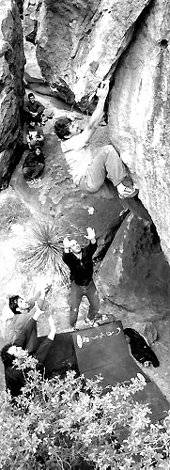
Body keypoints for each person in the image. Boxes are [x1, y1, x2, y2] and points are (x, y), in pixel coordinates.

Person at [54, 80, 138, 200]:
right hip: (87, 180)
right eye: (73, 127)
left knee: (120, 196)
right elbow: (92, 125)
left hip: (87, 180)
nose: (77, 125)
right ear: (67, 136)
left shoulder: (67, 141)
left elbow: (94, 121)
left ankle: (126, 196)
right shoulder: (73, 142)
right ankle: (121, 185)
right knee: (107, 151)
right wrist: (102, 98)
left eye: (74, 124)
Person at [0, 311, 56, 398]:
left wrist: (36, 315)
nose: (19, 348)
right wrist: (52, 330)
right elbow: (40, 354)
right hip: (22, 396)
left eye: (16, 347)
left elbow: (23, 334)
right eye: (17, 350)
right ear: (16, 361)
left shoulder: (12, 354)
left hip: (15, 381)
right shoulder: (21, 371)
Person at [63, 227, 100, 329]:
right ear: (71, 250)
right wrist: (66, 248)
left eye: (77, 243)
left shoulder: (86, 252)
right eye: (73, 245)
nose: (77, 246)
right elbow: (65, 257)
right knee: (74, 310)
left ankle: (89, 319)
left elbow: (93, 246)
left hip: (89, 284)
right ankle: (72, 327)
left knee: (96, 306)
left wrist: (92, 238)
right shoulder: (70, 258)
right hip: (77, 286)